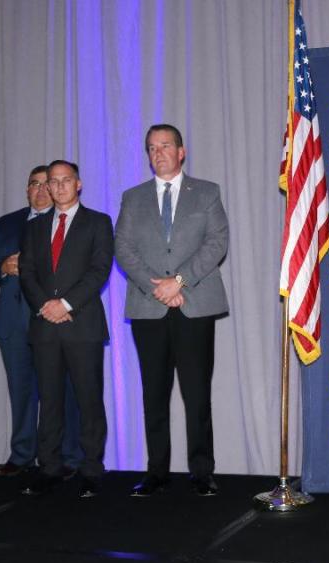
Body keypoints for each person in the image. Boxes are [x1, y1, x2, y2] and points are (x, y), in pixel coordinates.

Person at [115, 124, 229, 498]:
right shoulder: (133, 198)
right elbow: (124, 249)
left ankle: (201, 472)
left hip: (194, 305)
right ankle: (156, 472)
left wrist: (179, 281)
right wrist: (159, 287)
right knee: (154, 393)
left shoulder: (207, 193)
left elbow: (217, 243)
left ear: (182, 152)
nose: (158, 152)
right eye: (151, 147)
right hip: (150, 307)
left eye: (165, 145)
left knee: (197, 394)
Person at [0, 166, 84, 477]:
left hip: (53, 319)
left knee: (62, 391)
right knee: (21, 391)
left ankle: (67, 456)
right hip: (14, 320)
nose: (40, 190)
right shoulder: (8, 222)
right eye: (33, 184)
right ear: (26, 190)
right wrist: (2, 265)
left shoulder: (66, 221)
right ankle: (21, 455)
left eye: (45, 184)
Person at [18, 161, 113, 499]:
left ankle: (91, 469)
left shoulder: (98, 223)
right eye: (51, 182)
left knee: (88, 400)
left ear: (79, 184)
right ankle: (49, 467)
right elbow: (26, 272)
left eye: (65, 180)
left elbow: (99, 270)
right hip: (44, 325)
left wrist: (66, 304)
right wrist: (46, 305)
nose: (57, 187)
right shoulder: (34, 227)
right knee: (49, 400)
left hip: (82, 324)